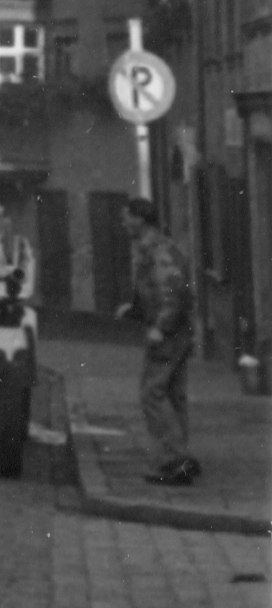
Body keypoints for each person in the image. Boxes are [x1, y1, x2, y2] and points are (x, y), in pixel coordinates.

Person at [120, 196, 198, 486]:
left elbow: (172, 292)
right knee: (173, 394)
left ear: (140, 219)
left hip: (170, 332)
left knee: (152, 393)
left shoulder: (157, 250)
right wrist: (134, 309)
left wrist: (161, 328)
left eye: (126, 217)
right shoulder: (152, 248)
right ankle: (180, 457)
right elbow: (153, 287)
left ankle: (174, 459)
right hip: (178, 330)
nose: (124, 223)